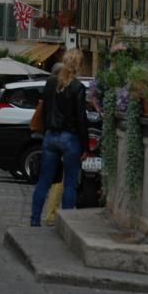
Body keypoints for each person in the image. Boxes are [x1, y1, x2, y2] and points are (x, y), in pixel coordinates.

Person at [30, 49, 89, 227]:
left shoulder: (50, 83)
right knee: (70, 183)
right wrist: (85, 146)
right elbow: (81, 119)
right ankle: (66, 224)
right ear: (79, 65)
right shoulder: (78, 87)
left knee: (44, 181)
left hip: (51, 135)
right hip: (70, 137)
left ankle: (35, 220)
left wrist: (46, 131)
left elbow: (45, 110)